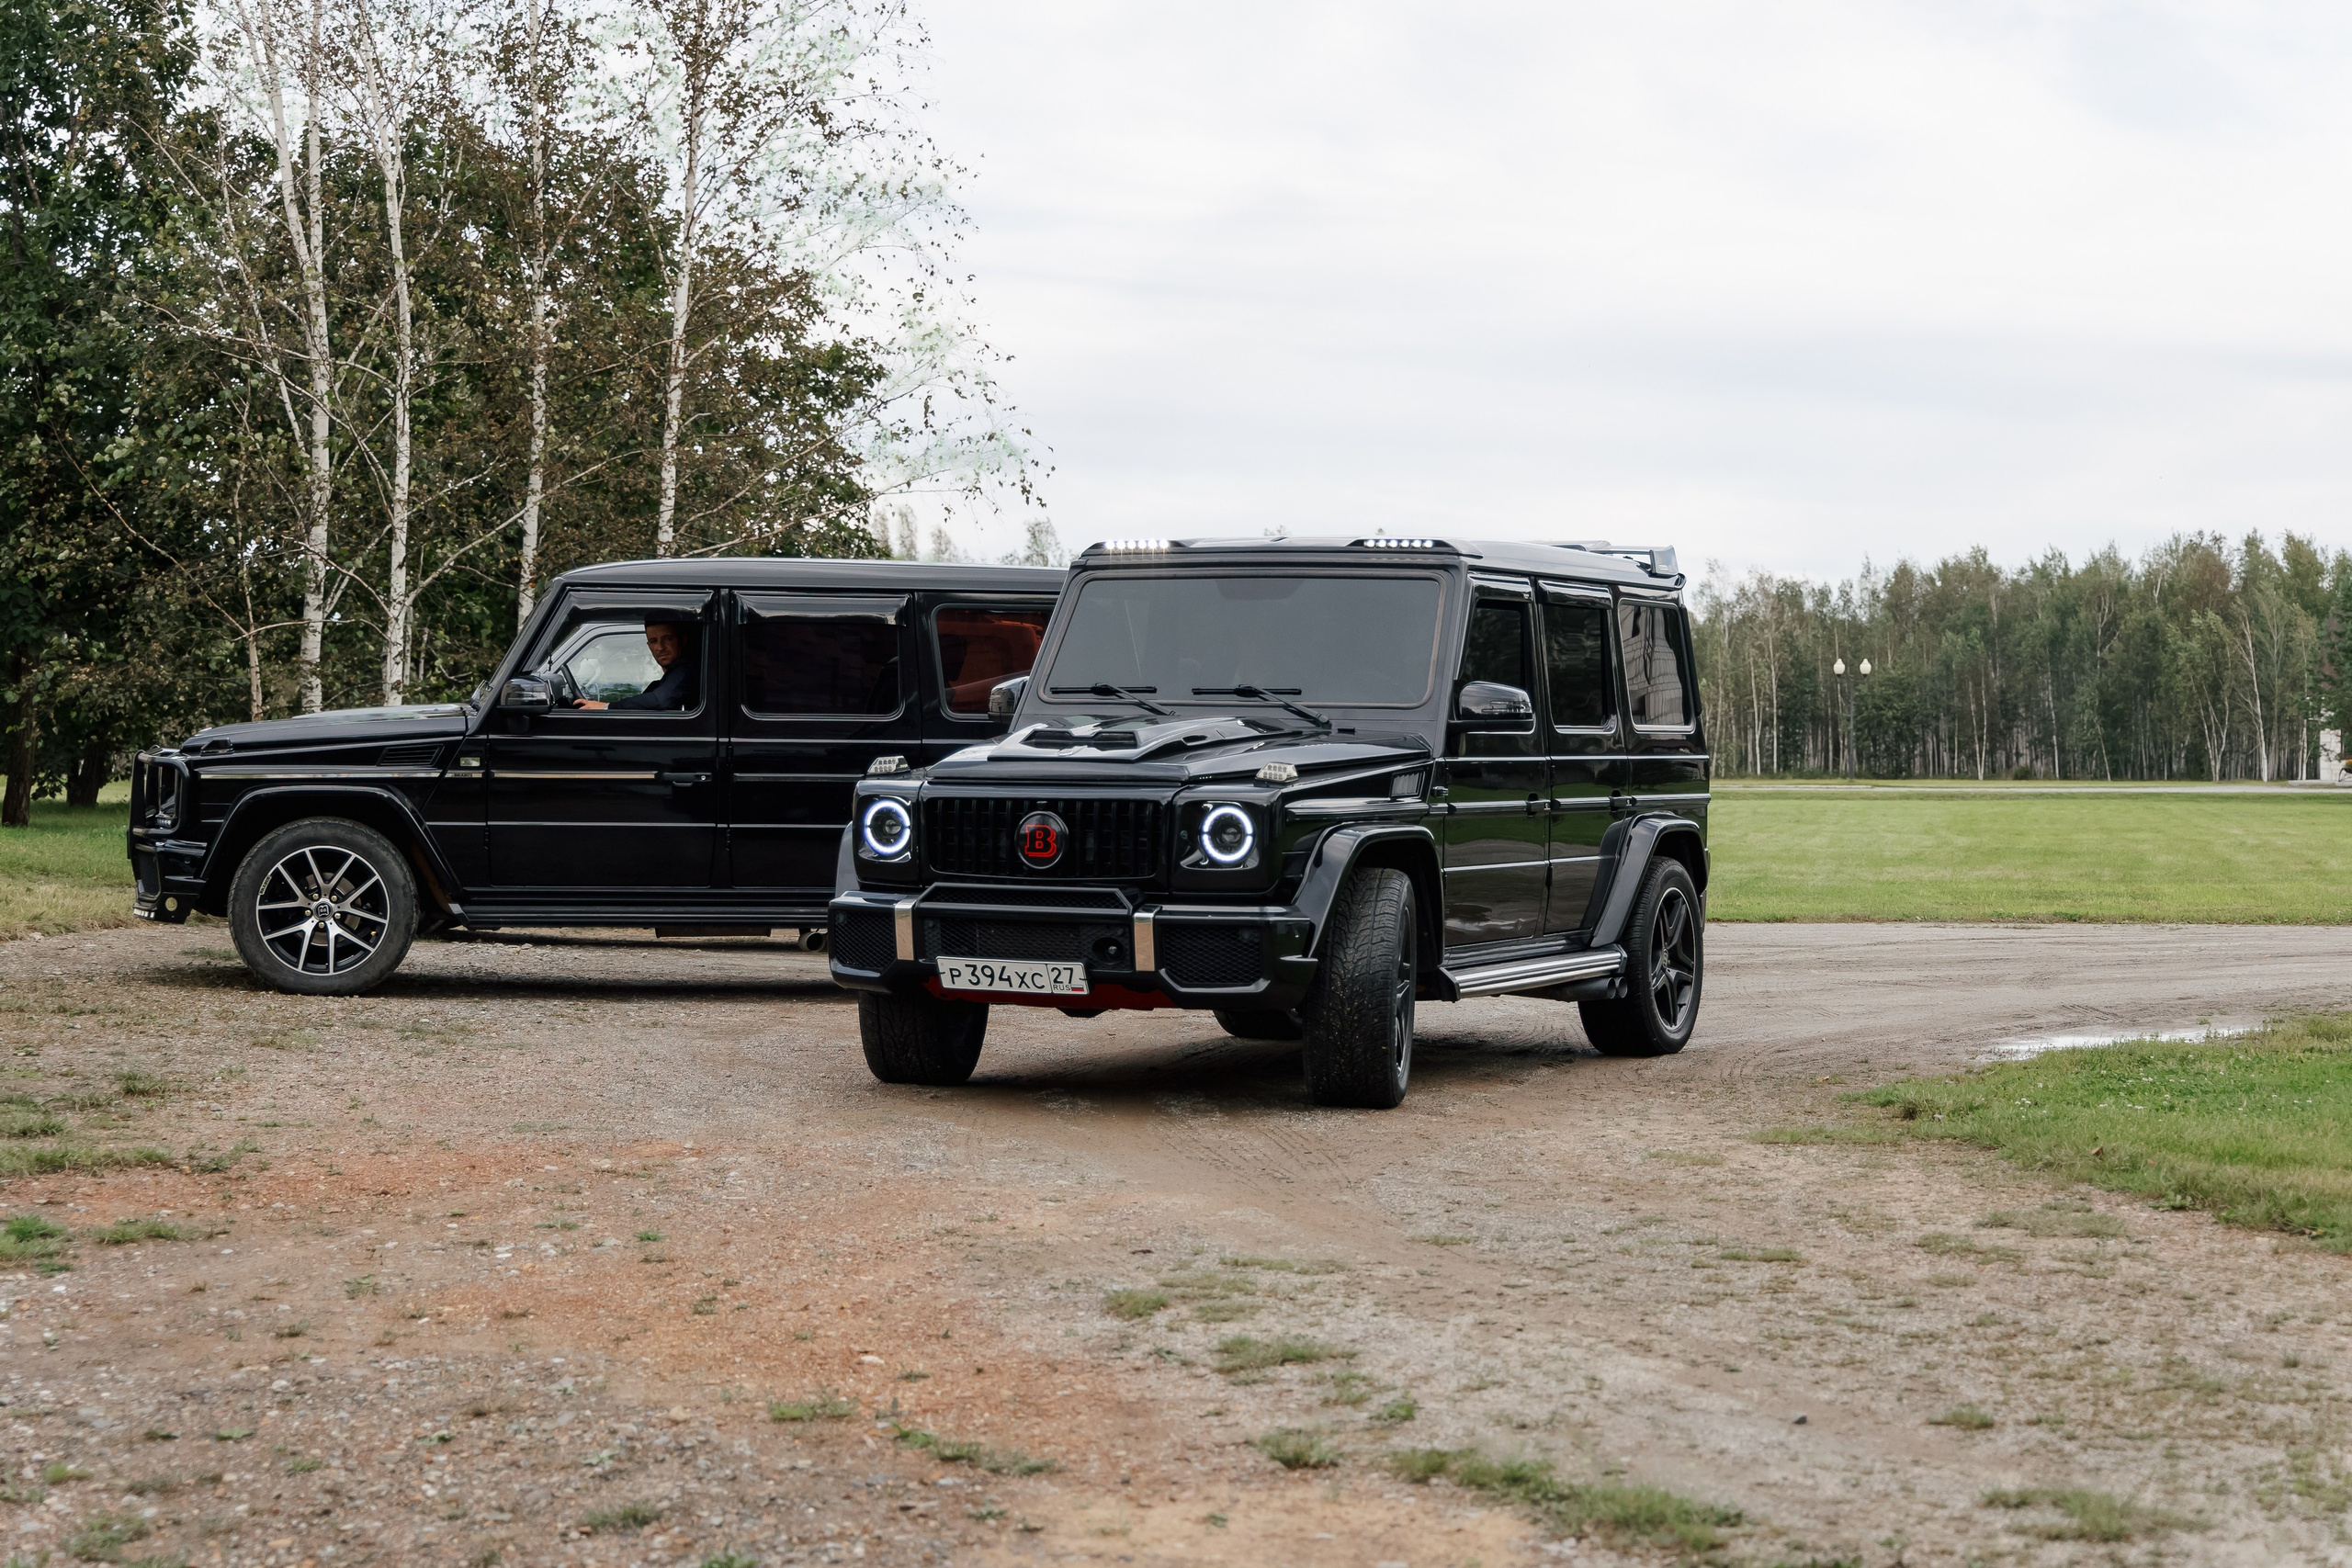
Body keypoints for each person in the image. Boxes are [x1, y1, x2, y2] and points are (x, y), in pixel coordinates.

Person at [571, 619, 695, 710]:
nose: (660, 647)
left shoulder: (686, 670)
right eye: (654, 641)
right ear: (649, 646)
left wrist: (607, 707)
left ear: (683, 640)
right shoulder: (663, 682)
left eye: (668, 638)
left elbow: (660, 701)